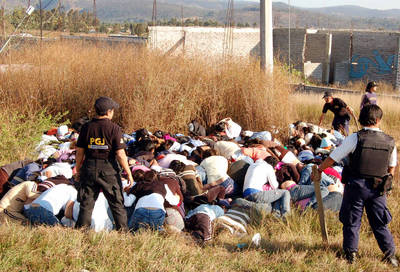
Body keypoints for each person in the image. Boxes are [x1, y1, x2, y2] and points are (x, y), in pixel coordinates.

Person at [316, 104, 398, 266]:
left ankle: (350, 254)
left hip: (356, 186)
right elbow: (392, 168)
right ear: (378, 120)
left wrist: (319, 169)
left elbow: (334, 157)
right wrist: (385, 187)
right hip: (378, 189)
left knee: (352, 221)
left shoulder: (355, 138)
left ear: (360, 120)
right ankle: (391, 256)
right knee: (380, 223)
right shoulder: (390, 141)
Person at [75, 96, 133, 231]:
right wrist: (128, 173)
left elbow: (80, 152)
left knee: (86, 203)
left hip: (89, 168)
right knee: (116, 204)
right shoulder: (114, 129)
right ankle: (122, 233)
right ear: (108, 112)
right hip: (109, 169)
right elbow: (120, 154)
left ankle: (81, 232)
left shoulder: (86, 127)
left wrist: (78, 170)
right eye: (113, 110)